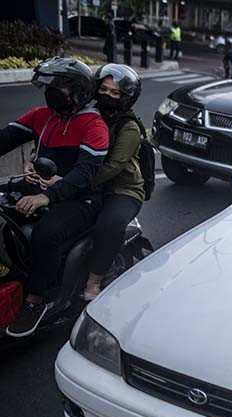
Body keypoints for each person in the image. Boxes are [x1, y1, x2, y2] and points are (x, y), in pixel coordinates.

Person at [0, 58, 108, 337]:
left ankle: (37, 300)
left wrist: (47, 197)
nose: (51, 92)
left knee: (46, 234)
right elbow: (5, 138)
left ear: (79, 92)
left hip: (81, 200)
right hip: (41, 188)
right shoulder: (42, 116)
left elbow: (83, 174)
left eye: (59, 86)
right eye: (49, 86)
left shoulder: (94, 125)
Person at [82, 64, 145, 301]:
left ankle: (94, 282)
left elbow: (114, 166)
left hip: (123, 189)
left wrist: (75, 183)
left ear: (126, 98)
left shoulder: (128, 126)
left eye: (114, 93)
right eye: (104, 90)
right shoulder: (88, 114)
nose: (107, 95)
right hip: (91, 183)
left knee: (109, 224)